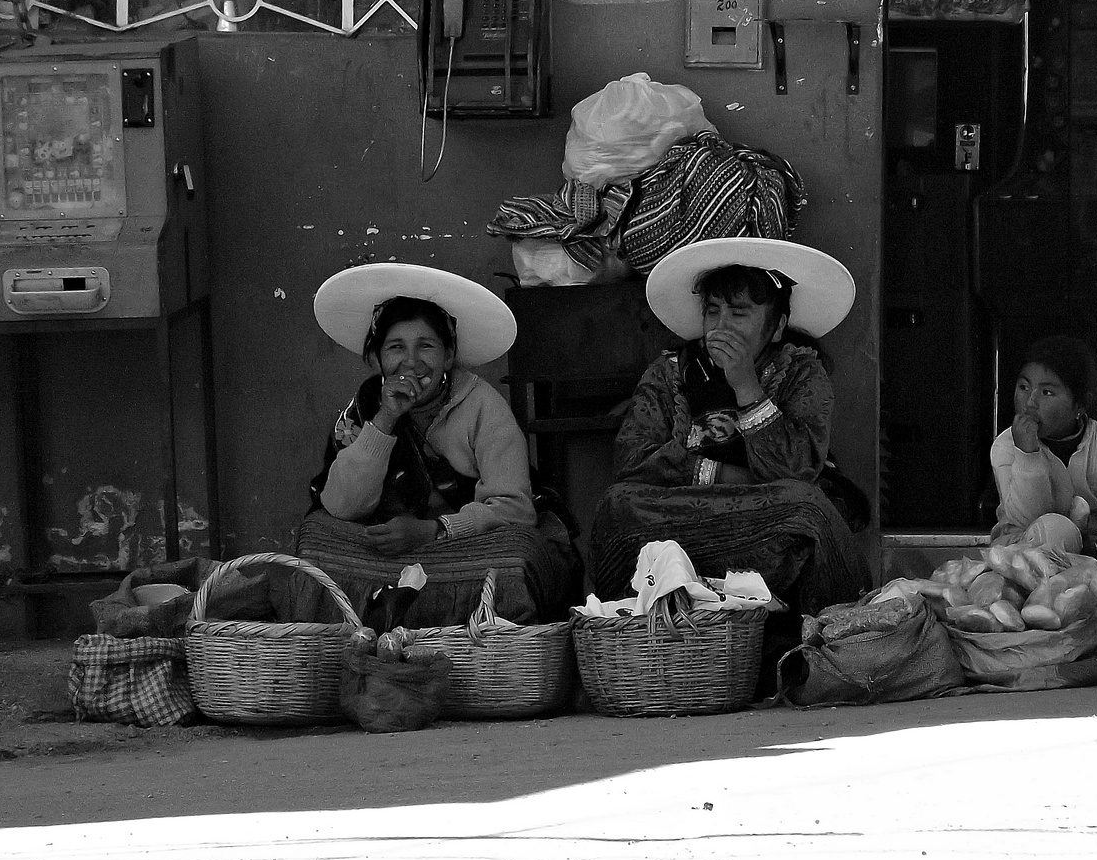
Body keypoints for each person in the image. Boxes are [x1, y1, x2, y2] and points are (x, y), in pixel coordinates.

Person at [589, 237, 870, 617]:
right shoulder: (670, 372)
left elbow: (796, 471)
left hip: (768, 517)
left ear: (776, 327)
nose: (720, 327)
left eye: (738, 315)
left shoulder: (800, 371)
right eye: (712, 312)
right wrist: (724, 474)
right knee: (618, 505)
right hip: (686, 514)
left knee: (806, 506)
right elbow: (634, 458)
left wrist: (746, 386)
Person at [303, 263, 580, 626]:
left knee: (516, 558)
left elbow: (515, 509)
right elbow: (341, 506)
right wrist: (385, 419)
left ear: (449, 355)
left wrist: (434, 531)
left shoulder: (482, 406)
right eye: (396, 347)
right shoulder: (367, 406)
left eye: (427, 346)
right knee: (315, 538)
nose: (412, 362)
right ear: (377, 358)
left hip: (464, 544)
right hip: (394, 550)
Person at [989, 335, 1097, 683]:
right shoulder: (1006, 446)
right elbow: (1028, 519)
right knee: (1054, 530)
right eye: (1023, 387)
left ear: (1079, 405)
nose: (1030, 402)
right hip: (1023, 555)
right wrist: (1028, 455)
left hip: (1096, 558)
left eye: (1047, 392)